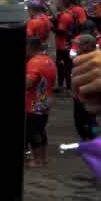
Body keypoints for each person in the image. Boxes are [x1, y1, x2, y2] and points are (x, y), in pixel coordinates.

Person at [25, 37, 56, 168]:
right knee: (41, 129)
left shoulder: (33, 62)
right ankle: (42, 158)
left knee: (33, 131)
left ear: (30, 47)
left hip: (35, 101)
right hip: (45, 99)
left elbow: (28, 84)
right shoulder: (48, 60)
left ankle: (37, 160)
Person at [72, 34, 100, 141]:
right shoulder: (80, 56)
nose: (78, 47)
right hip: (79, 95)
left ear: (89, 46)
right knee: (79, 121)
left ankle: (92, 138)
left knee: (90, 120)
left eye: (80, 45)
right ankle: (87, 137)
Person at [54, 0, 77, 91]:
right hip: (67, 45)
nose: (56, 4)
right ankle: (63, 86)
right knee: (66, 66)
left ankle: (66, 87)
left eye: (57, 2)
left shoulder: (65, 16)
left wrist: (52, 26)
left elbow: (61, 31)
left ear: (62, 3)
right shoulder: (69, 13)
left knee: (63, 66)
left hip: (63, 46)